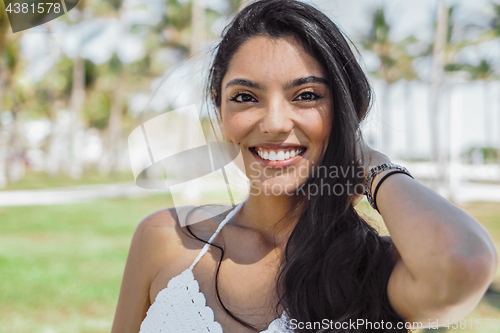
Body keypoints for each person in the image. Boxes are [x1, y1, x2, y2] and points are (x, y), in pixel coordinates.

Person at [111, 1, 498, 332]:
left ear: (348, 112)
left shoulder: (378, 271)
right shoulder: (165, 239)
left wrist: (372, 164)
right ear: (220, 109)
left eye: (307, 95)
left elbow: (463, 262)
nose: (275, 122)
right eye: (245, 97)